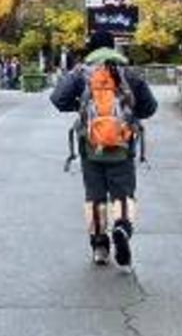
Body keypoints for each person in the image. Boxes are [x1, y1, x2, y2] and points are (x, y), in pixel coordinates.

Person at [58, 38, 157, 269]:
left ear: (90, 49)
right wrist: (129, 115)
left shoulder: (81, 74)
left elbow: (58, 100)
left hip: (90, 148)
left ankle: (100, 247)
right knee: (123, 194)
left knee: (95, 197)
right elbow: (150, 107)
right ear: (112, 48)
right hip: (122, 148)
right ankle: (122, 227)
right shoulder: (128, 74)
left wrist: (81, 107)